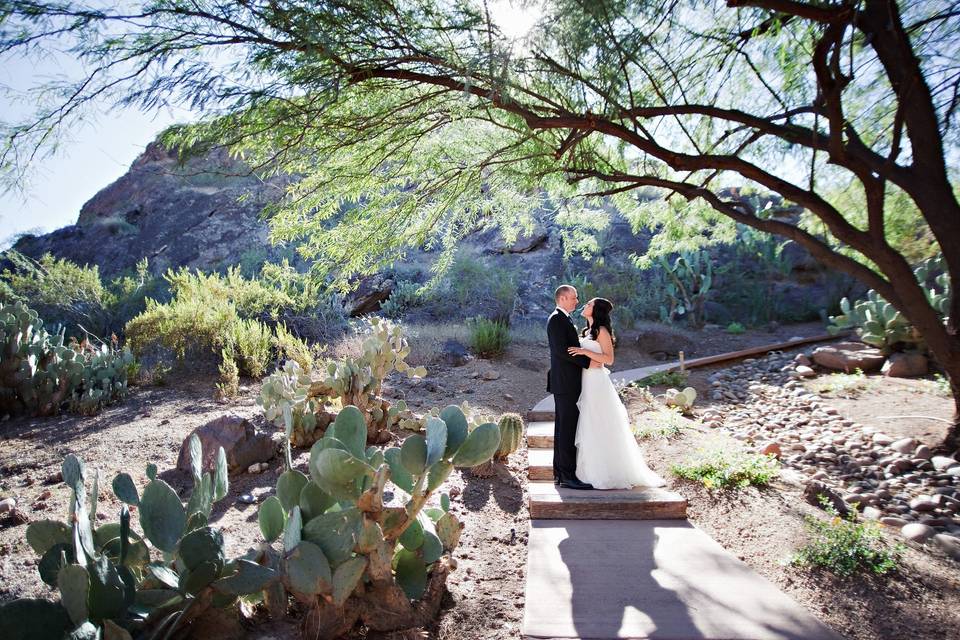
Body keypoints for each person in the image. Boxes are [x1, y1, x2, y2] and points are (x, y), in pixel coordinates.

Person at [567, 297, 665, 490]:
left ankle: (607, 471)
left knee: (598, 421)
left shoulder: (602, 331)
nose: (584, 306)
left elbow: (608, 359)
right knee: (588, 422)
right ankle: (588, 469)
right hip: (585, 380)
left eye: (588, 304)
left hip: (596, 381)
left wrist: (584, 352)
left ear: (595, 311)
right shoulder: (587, 331)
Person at [546, 285, 596, 490]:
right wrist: (588, 362)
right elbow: (562, 351)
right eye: (574, 298)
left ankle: (560, 473)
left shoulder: (563, 318)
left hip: (566, 382)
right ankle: (567, 476)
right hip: (566, 383)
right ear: (564, 298)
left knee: (563, 429)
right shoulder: (557, 319)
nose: (577, 301)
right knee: (567, 430)